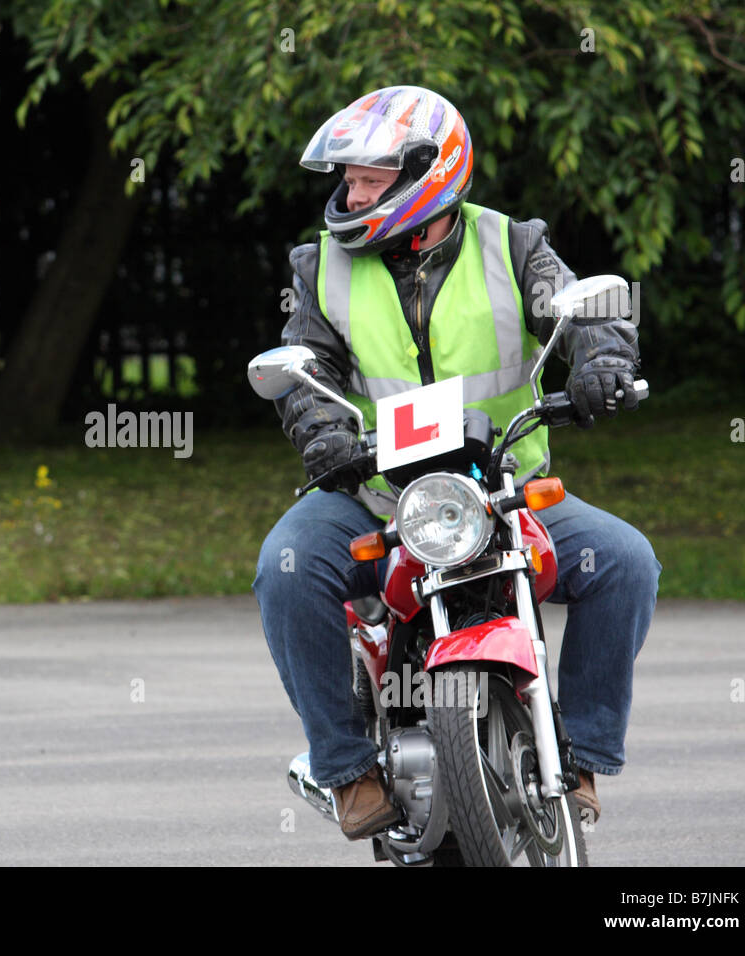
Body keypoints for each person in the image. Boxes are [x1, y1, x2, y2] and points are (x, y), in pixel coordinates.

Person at [252, 85, 661, 842]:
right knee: (284, 564)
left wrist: (602, 361)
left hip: (509, 492)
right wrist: (319, 432)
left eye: (371, 180)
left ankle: (582, 762)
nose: (352, 193)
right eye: (349, 179)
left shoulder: (514, 245)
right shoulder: (323, 268)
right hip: (375, 496)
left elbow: (585, 309)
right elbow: (305, 367)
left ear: (428, 175)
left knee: (627, 561)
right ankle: (348, 771)